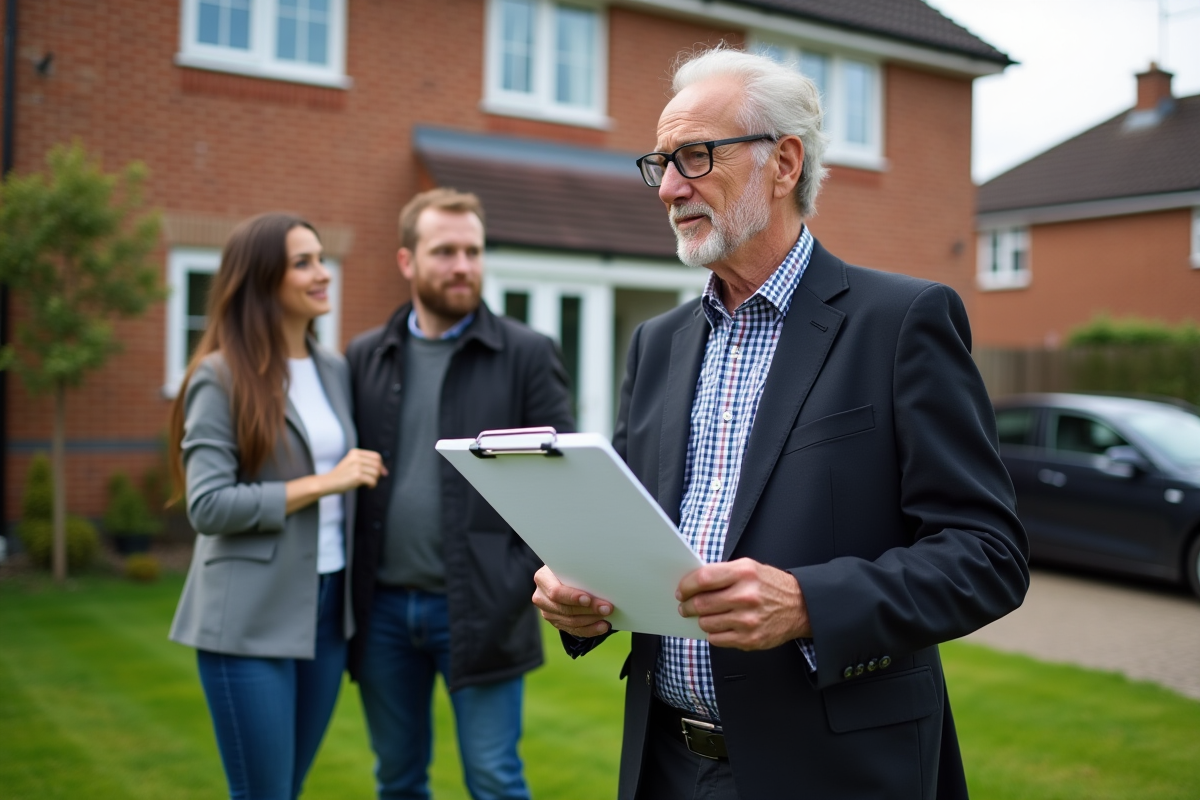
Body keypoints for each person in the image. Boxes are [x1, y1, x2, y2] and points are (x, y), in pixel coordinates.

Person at [532, 48, 1029, 800]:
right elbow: (640, 536)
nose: (668, 187)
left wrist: (807, 605)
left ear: (784, 163)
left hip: (833, 772)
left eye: (695, 156)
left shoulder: (901, 322)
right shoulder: (658, 344)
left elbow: (987, 555)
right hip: (665, 765)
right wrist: (584, 597)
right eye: (660, 163)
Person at [346, 188, 574, 800]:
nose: (462, 266)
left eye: (473, 251)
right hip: (382, 611)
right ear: (407, 261)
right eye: (444, 251)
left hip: (481, 608)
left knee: (494, 779)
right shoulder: (365, 357)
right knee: (396, 780)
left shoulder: (526, 355)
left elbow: (562, 483)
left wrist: (514, 577)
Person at [168, 212, 385, 800]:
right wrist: (323, 483)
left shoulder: (334, 368)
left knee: (288, 787)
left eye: (321, 259)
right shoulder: (219, 376)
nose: (323, 273)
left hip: (328, 609)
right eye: (303, 263)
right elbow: (208, 505)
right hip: (247, 616)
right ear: (262, 278)